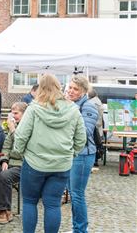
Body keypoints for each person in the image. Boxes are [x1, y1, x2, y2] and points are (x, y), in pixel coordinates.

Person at [14, 74, 86, 233]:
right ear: (59, 87)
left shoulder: (34, 108)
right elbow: (81, 139)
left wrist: (19, 153)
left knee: (29, 202)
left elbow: (20, 135)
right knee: (53, 204)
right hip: (61, 165)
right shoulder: (73, 109)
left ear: (40, 88)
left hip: (34, 162)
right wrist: (70, 154)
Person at [66, 76, 99, 233]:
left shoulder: (88, 107)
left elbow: (84, 133)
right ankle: (76, 228)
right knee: (73, 193)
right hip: (71, 154)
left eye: (75, 89)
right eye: (70, 87)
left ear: (84, 91)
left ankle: (80, 230)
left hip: (83, 154)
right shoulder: (71, 105)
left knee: (77, 194)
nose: (71, 91)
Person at [0, 102, 27, 224]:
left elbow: (22, 146)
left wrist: (13, 129)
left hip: (24, 164)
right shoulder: (13, 127)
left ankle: (6, 211)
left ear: (25, 114)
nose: (13, 116)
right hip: (11, 162)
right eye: (12, 113)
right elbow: (6, 146)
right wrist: (4, 160)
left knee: (4, 176)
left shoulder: (28, 127)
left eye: (16, 113)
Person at [88, 88, 104, 169]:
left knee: (92, 144)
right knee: (97, 144)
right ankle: (96, 161)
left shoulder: (90, 103)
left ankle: (93, 161)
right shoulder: (99, 102)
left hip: (93, 126)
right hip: (99, 126)